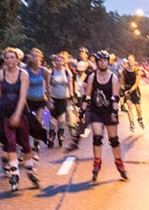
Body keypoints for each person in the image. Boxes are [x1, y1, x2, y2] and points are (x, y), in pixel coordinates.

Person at [0, 47, 38, 192]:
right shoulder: (0, 74)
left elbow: (22, 97)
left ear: (17, 59)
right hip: (5, 113)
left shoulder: (23, 74)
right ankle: (15, 174)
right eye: (7, 58)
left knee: (25, 144)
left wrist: (18, 115)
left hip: (20, 112)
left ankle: (30, 170)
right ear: (4, 60)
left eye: (12, 57)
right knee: (10, 142)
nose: (9, 60)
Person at [82, 50, 127, 181]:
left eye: (104, 60)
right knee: (97, 137)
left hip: (109, 111)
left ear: (108, 62)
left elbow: (115, 97)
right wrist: (83, 110)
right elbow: (88, 95)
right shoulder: (92, 77)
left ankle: (119, 164)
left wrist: (114, 112)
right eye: (100, 61)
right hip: (96, 111)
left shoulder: (113, 77)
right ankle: (97, 164)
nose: (102, 62)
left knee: (113, 140)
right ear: (97, 62)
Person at [24, 47, 51, 159]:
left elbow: (48, 87)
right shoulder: (26, 71)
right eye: (33, 56)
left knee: (38, 124)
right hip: (28, 100)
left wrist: (49, 100)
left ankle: (36, 145)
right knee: (27, 124)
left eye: (38, 56)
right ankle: (25, 147)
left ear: (41, 58)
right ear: (30, 57)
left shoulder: (44, 71)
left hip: (40, 100)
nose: (36, 58)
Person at [48, 53, 73, 148]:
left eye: (60, 60)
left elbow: (70, 84)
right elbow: (47, 85)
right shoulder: (51, 72)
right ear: (54, 62)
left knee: (61, 116)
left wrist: (71, 94)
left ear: (63, 62)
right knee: (53, 117)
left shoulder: (67, 72)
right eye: (57, 61)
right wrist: (48, 97)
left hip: (63, 97)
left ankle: (61, 133)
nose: (59, 62)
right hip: (54, 97)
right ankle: (51, 135)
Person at [120, 55, 144, 132]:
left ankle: (139, 119)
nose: (130, 62)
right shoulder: (124, 71)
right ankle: (131, 123)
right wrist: (122, 88)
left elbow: (136, 83)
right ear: (127, 61)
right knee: (130, 107)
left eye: (132, 60)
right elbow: (122, 81)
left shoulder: (137, 70)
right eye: (129, 60)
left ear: (134, 61)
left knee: (138, 109)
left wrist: (130, 90)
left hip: (134, 90)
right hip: (127, 91)